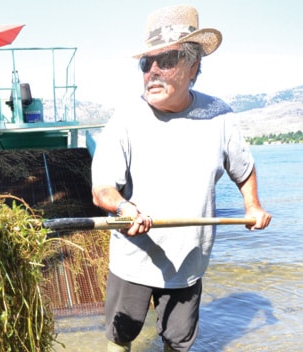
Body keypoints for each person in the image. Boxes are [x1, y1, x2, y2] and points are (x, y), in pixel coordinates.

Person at [91, 4, 272, 352]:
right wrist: (125, 207)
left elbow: (244, 168)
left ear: (193, 67)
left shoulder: (219, 116)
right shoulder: (125, 119)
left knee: (178, 342)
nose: (152, 71)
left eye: (166, 61)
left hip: (190, 260)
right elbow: (102, 190)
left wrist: (253, 205)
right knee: (120, 336)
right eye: (147, 63)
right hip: (134, 258)